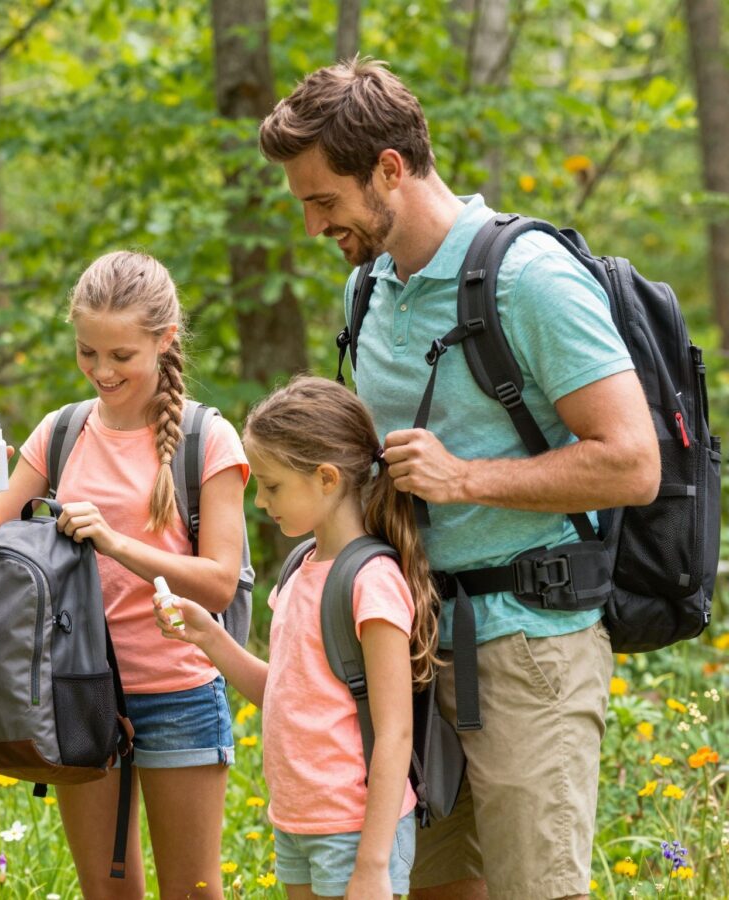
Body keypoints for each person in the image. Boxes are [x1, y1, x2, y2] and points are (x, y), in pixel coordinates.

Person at [257, 59, 659, 900]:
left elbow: (633, 462)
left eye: (323, 200)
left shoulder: (531, 278)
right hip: (411, 649)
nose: (310, 224)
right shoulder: (365, 290)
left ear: (390, 171)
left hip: (530, 649)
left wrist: (466, 477)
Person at [0, 250, 249, 899]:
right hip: (74, 691)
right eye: (88, 352)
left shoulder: (210, 438)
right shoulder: (60, 431)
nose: (101, 370)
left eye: (121, 355)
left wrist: (117, 543)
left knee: (194, 891)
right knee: (106, 890)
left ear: (164, 340)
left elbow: (218, 583)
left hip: (178, 694)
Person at [155, 375, 438, 900]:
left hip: (354, 831)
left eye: (272, 484)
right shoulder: (298, 568)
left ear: (327, 478)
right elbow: (283, 693)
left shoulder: (371, 582)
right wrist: (208, 639)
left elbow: (395, 732)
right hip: (297, 823)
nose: (260, 501)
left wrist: (374, 864)